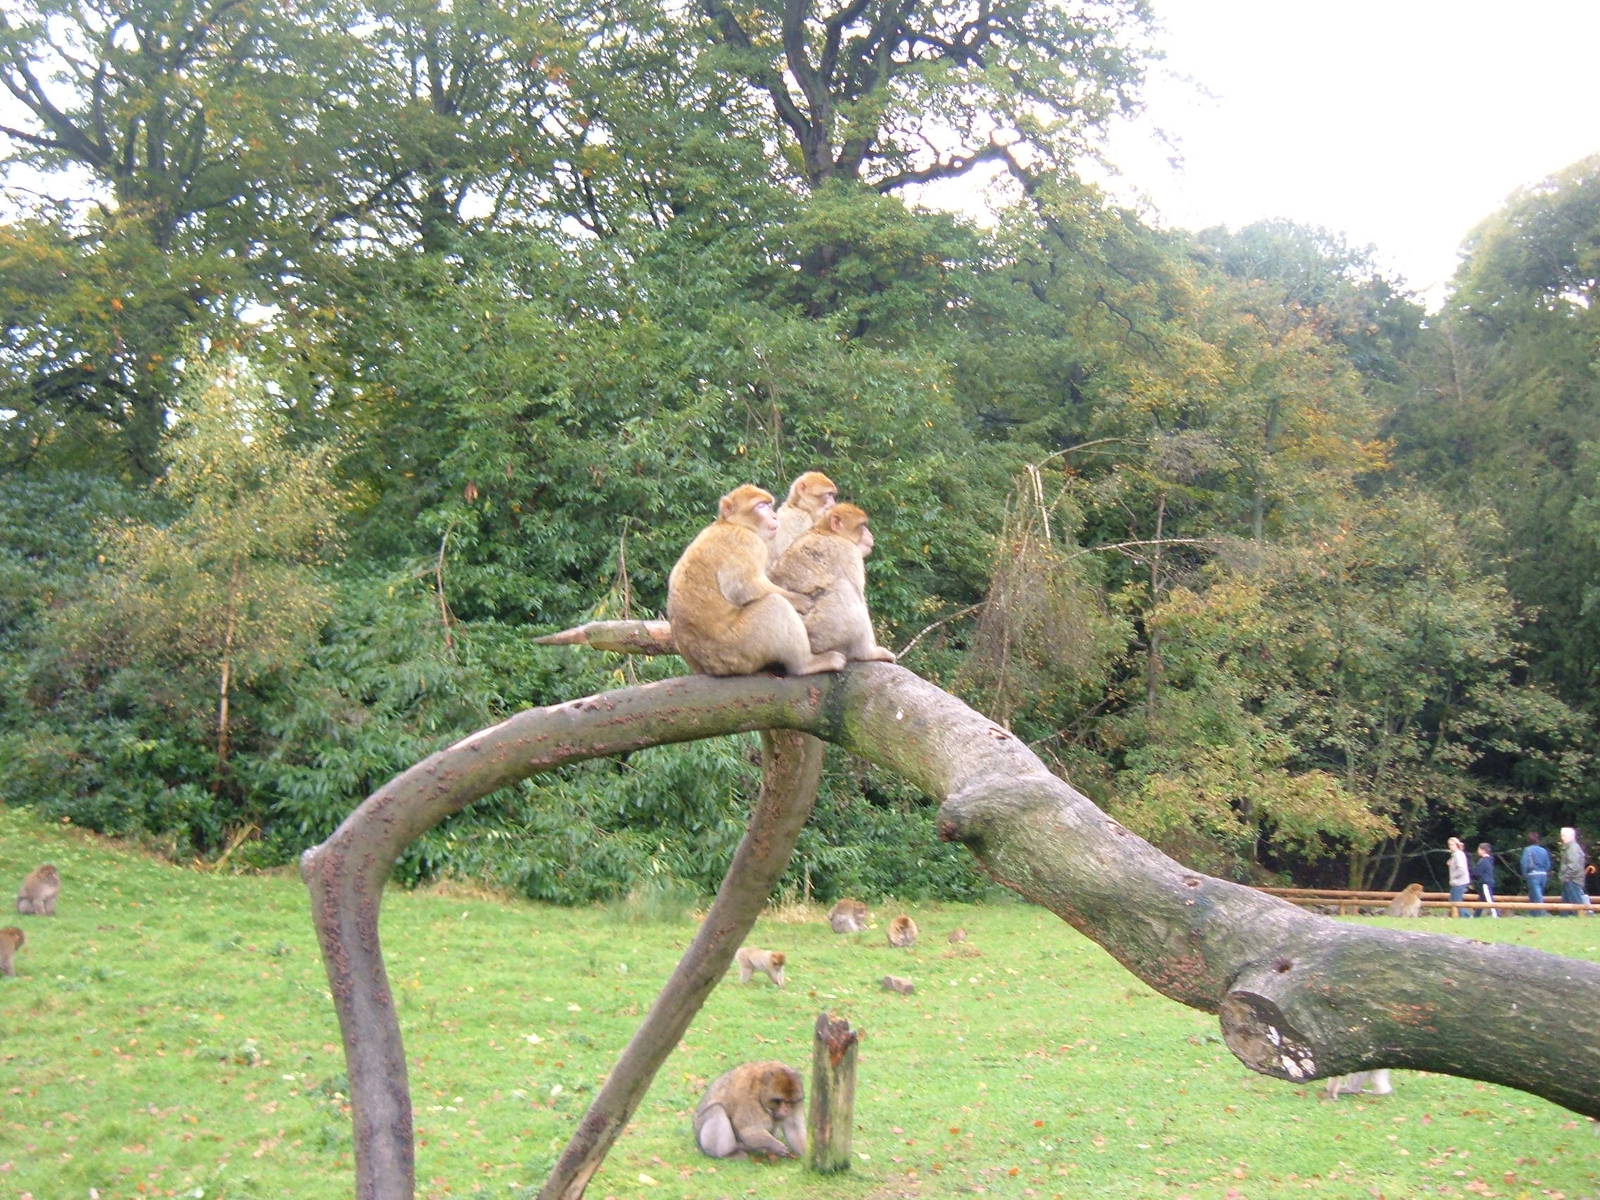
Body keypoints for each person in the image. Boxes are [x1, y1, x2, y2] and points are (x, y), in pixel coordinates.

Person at [1559, 826, 1590, 915]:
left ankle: (1580, 918)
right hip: (1569, 879)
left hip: (1572, 880)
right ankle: (1564, 918)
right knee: (1566, 903)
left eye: (1564, 835)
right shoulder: (1569, 847)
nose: (1562, 838)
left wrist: (1566, 877)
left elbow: (1574, 865)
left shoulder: (1573, 848)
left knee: (1576, 903)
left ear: (1571, 836)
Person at [1521, 831, 1552, 915]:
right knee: (1535, 894)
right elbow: (1548, 864)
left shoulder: (1528, 850)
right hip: (1543, 875)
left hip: (1533, 875)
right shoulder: (1544, 850)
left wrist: (1525, 875)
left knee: (1537, 896)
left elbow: (1524, 863)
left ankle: (1542, 913)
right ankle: (1533, 913)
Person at [1471, 843, 1499, 917]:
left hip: (1485, 883)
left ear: (1483, 850)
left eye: (1479, 849)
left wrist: (1472, 872)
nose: (1477, 851)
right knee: (1481, 900)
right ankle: (1476, 916)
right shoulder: (1490, 860)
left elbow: (1477, 873)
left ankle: (1496, 915)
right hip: (1488, 882)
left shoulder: (1483, 861)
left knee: (1489, 899)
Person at [1446, 836, 1470, 915]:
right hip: (1457, 882)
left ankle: (1466, 916)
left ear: (1457, 845)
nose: (1450, 846)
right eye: (1449, 845)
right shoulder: (1455, 855)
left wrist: (1453, 877)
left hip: (1459, 882)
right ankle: (1462, 916)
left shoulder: (1458, 854)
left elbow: (1461, 870)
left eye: (1452, 844)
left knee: (1457, 902)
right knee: (1453, 900)